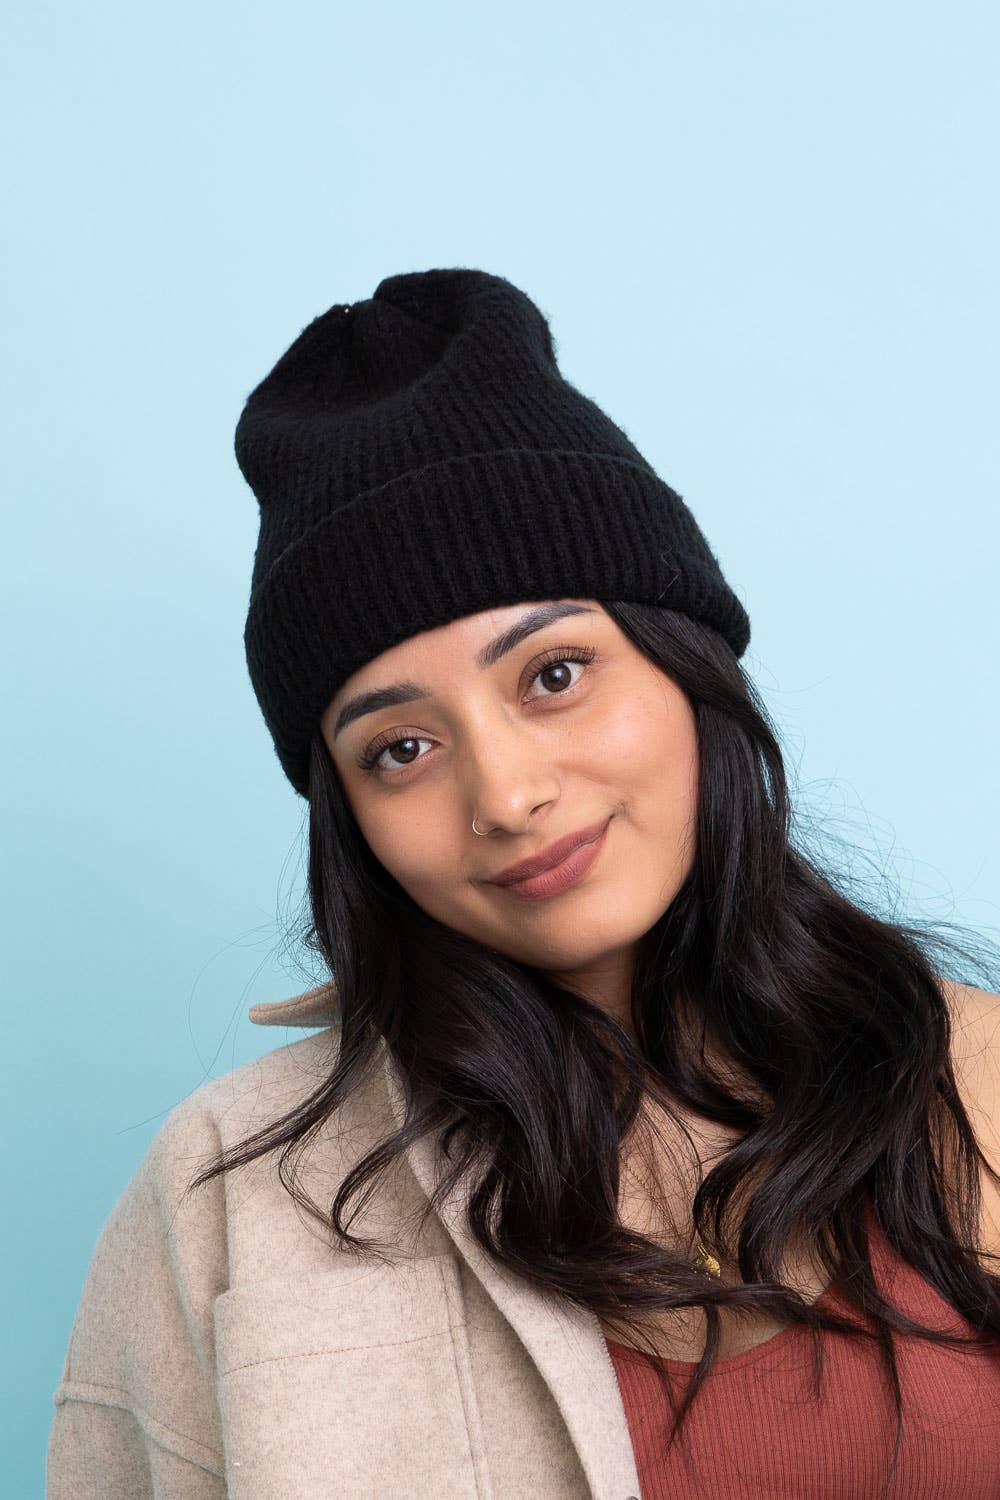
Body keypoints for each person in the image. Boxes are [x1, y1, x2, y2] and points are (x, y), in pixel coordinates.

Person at [47, 268, 1000, 1499]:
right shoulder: (234, 1194)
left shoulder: (981, 1076)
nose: (503, 795)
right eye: (401, 748)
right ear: (350, 818)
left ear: (686, 667)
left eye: (553, 675)